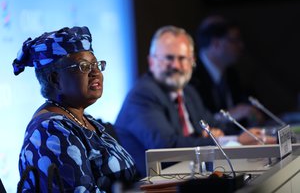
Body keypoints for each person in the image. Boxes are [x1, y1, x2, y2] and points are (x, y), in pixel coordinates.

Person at [114, 26, 274, 178]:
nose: (176, 65)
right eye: (168, 58)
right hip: (150, 184)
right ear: (151, 62)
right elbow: (166, 146)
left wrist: (242, 136)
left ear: (192, 61)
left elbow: (212, 125)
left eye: (182, 58)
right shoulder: (143, 94)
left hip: (188, 175)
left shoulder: (188, 91)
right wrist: (230, 141)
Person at [14, 26, 136, 192]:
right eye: (84, 66)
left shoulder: (84, 120)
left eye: (96, 64)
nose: (95, 72)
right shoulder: (50, 131)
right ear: (55, 79)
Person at [190, 16, 263, 134]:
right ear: (216, 43)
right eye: (235, 40)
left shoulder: (232, 73)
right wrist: (229, 115)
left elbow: (246, 109)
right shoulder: (191, 76)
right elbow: (196, 121)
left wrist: (251, 115)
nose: (241, 46)